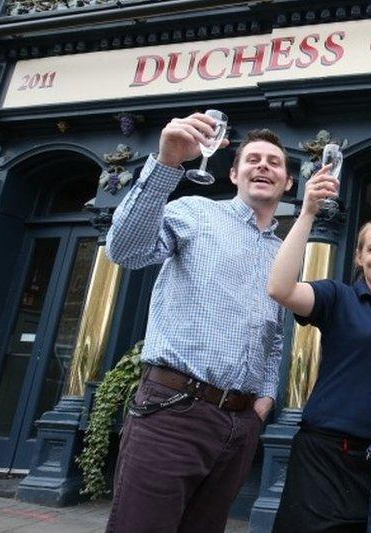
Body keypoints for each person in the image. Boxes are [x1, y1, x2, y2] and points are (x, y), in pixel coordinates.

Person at [105, 114, 293, 532]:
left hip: (239, 425)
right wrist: (168, 163)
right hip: (173, 410)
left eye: (274, 162)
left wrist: (263, 401)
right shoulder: (196, 212)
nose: (263, 166)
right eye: (253, 159)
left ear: (288, 183)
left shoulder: (283, 253)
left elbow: (275, 335)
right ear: (233, 172)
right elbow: (126, 252)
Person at [267, 164, 371, 532]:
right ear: (358, 257)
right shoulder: (337, 297)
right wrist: (307, 212)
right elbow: (280, 288)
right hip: (322, 454)